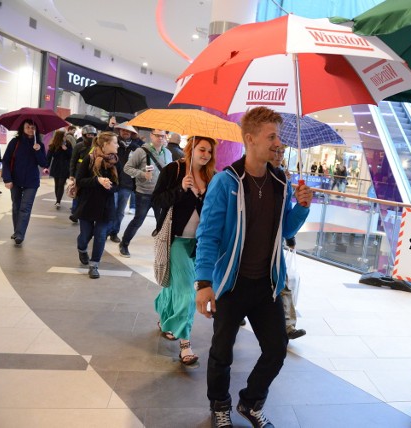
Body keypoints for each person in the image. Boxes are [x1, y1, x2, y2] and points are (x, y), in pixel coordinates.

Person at [194, 107, 313, 428]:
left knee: (276, 350)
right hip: (231, 284)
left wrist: (301, 207)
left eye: (279, 137)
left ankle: (250, 402)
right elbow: (207, 234)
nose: (278, 143)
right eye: (271, 137)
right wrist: (203, 282)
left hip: (266, 285)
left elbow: (285, 230)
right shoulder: (226, 182)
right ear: (250, 139)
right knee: (222, 352)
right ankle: (220, 404)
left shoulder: (280, 180)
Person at [152, 136, 217, 366]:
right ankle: (185, 344)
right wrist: (181, 189)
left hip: (199, 244)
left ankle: (165, 317)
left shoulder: (212, 176)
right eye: (202, 149)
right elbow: (157, 199)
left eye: (209, 151)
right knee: (189, 293)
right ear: (191, 148)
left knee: (175, 285)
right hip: (176, 240)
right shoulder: (174, 169)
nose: (206, 154)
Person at [270, 146, 306, 340]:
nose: (279, 155)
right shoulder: (238, 178)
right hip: (247, 250)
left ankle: (288, 326)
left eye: (282, 152)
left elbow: (287, 219)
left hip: (274, 248)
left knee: (282, 284)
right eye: (275, 150)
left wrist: (302, 206)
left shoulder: (284, 181)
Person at [120, 129, 172, 257]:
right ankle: (124, 244)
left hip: (161, 194)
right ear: (151, 136)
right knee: (138, 220)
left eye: (163, 136)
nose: (160, 138)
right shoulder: (141, 151)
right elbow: (127, 168)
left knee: (162, 223)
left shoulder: (168, 153)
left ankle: (162, 252)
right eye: (157, 135)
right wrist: (142, 174)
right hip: (143, 193)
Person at [73, 131, 119, 279]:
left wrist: (109, 185)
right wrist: (97, 181)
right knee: (85, 235)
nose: (117, 145)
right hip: (87, 204)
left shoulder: (116, 161)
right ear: (106, 145)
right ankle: (82, 248)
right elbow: (79, 181)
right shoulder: (90, 159)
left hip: (106, 206)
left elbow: (120, 185)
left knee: (100, 235)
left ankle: (94, 265)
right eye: (115, 142)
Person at [1, 120, 48, 246]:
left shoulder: (39, 145)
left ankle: (20, 234)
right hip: (15, 180)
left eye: (32, 127)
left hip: (31, 181)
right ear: (22, 128)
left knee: (25, 207)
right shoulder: (15, 142)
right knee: (16, 206)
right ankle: (17, 231)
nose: (30, 129)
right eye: (27, 127)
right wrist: (7, 179)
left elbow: (44, 163)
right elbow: (5, 161)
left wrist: (38, 151)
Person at [107, 122, 142, 243]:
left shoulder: (136, 148)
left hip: (127, 184)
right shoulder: (114, 145)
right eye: (123, 130)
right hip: (112, 181)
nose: (126, 132)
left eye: (128, 131)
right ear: (119, 131)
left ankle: (114, 232)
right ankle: (106, 229)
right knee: (112, 207)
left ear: (132, 133)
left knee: (120, 211)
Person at [69, 124, 98, 223]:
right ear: (84, 135)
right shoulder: (78, 146)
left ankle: (83, 212)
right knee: (77, 192)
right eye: (88, 135)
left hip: (91, 174)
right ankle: (75, 212)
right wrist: (72, 174)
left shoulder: (97, 146)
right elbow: (73, 160)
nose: (91, 137)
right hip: (79, 173)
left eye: (92, 135)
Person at [45, 130, 73, 209]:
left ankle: (58, 201)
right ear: (60, 137)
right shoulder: (53, 145)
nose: (65, 137)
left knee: (61, 184)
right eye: (64, 136)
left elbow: (72, 155)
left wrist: (66, 149)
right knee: (57, 184)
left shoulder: (68, 144)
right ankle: (57, 199)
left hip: (65, 166)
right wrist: (46, 167)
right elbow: (49, 157)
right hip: (56, 166)